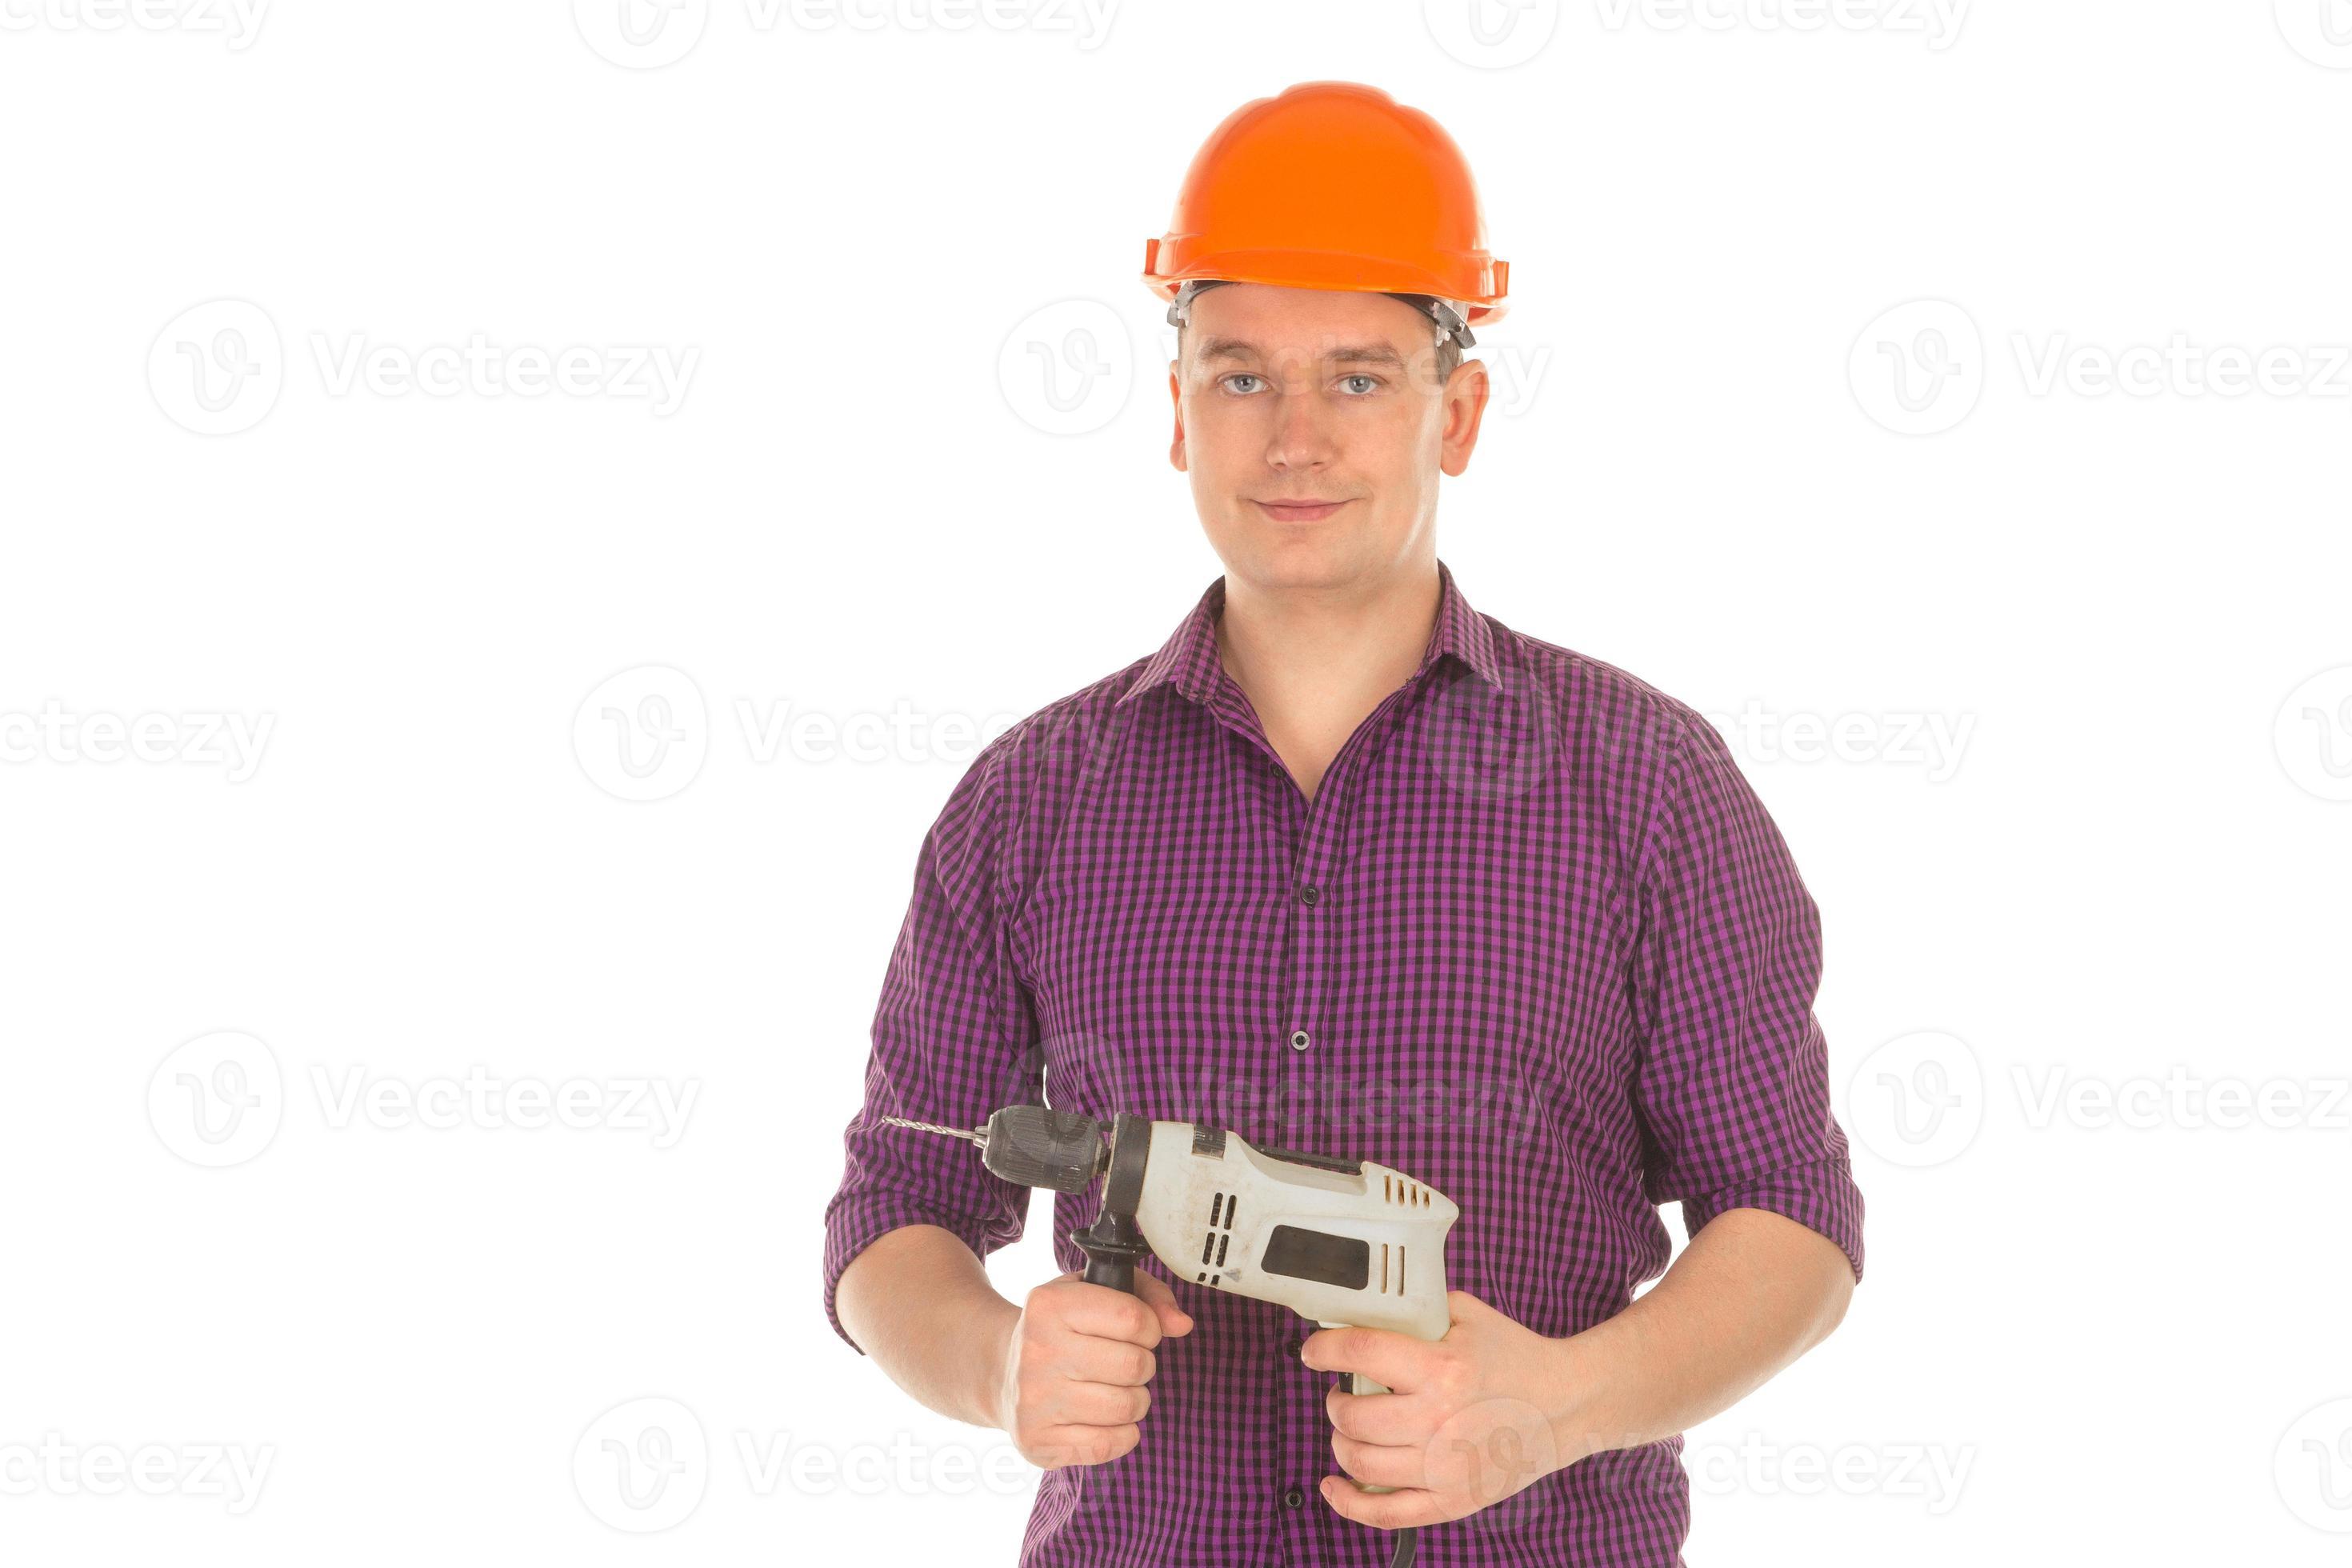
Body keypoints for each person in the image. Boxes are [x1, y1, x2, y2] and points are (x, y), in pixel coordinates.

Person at [822, 80, 1864, 1568]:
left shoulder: (1647, 784)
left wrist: (1559, 1403)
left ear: (1463, 410)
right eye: (1239, 375)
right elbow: (889, 1218)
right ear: (1176, 412)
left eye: (1359, 378)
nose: (1294, 437)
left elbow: (1793, 1227)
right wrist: (996, 1363)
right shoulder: (1029, 802)